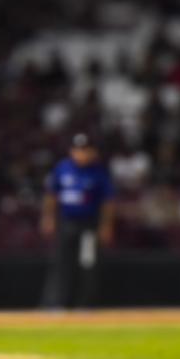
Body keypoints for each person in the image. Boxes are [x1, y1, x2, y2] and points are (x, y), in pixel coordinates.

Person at [40, 132, 115, 309]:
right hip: (66, 223)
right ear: (71, 151)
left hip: (89, 225)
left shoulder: (99, 172)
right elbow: (51, 195)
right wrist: (48, 218)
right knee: (62, 263)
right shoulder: (62, 168)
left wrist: (106, 226)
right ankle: (57, 304)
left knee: (87, 264)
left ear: (92, 152)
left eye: (85, 150)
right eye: (77, 150)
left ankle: (85, 305)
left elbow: (108, 203)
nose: (81, 153)